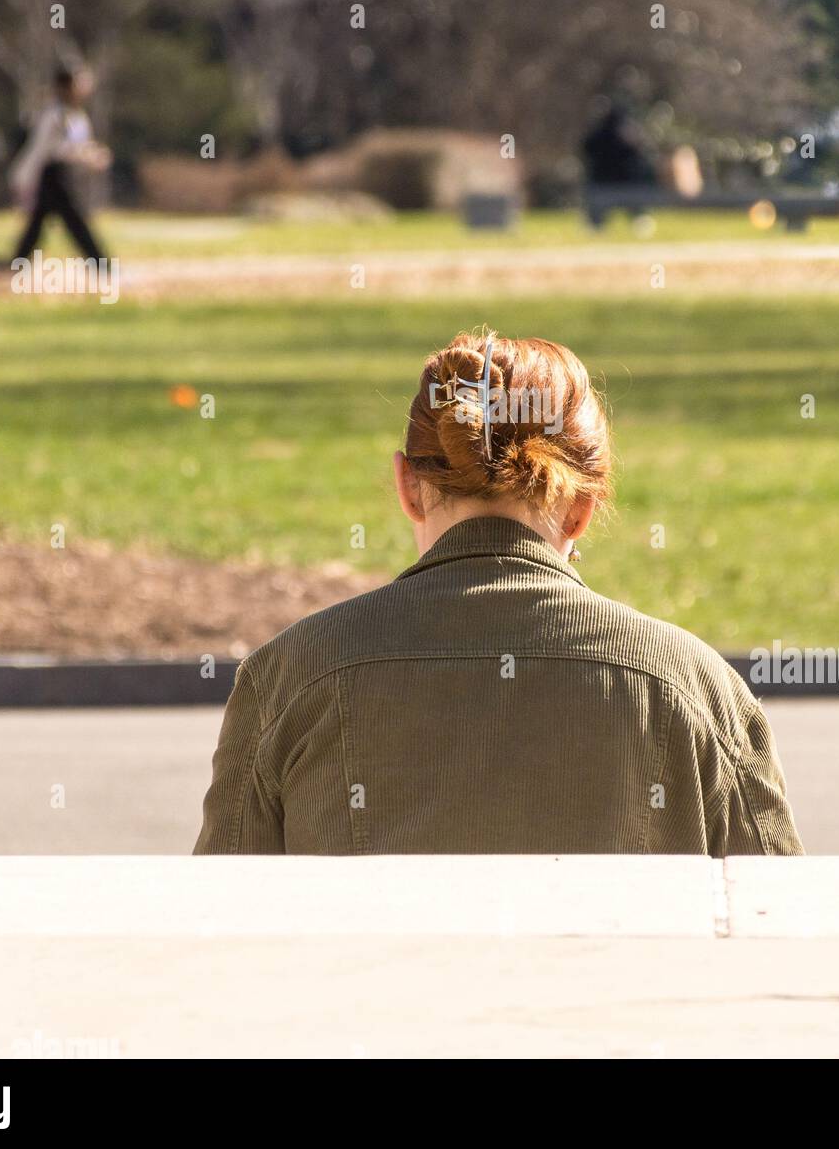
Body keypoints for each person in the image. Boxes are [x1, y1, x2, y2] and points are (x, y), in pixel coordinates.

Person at [195, 330, 803, 857]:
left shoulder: (290, 675)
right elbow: (778, 920)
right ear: (583, 510)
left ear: (407, 486)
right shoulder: (695, 687)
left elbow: (213, 927)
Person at [9, 65, 112, 263]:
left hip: (63, 175)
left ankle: (17, 261)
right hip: (53, 174)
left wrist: (92, 154)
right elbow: (50, 149)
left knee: (40, 222)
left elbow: (78, 145)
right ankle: (100, 262)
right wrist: (88, 156)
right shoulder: (55, 115)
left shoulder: (76, 115)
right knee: (74, 219)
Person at [580, 101, 658, 234]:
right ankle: (597, 224)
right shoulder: (610, 137)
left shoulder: (599, 135)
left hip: (620, 186)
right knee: (599, 201)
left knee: (634, 198)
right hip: (606, 186)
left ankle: (598, 225)